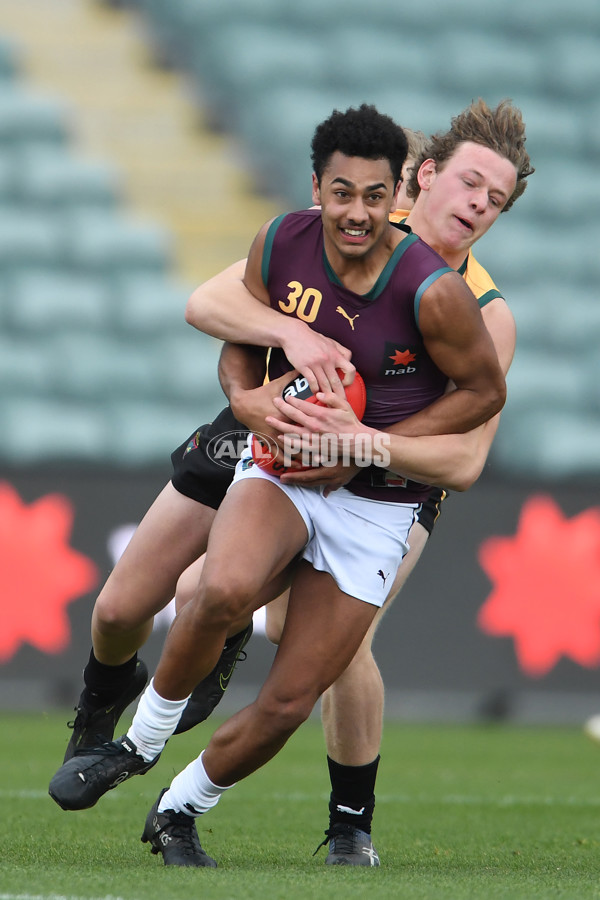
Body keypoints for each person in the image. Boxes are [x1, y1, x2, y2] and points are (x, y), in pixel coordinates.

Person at [48, 102, 514, 870]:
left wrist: (360, 446)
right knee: (128, 603)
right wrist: (277, 359)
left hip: (385, 475)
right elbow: (213, 306)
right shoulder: (324, 225)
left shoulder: (470, 308)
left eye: (495, 201)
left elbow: (463, 459)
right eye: (470, 184)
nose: (477, 207)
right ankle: (114, 725)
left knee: (314, 647)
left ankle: (345, 826)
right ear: (421, 177)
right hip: (275, 421)